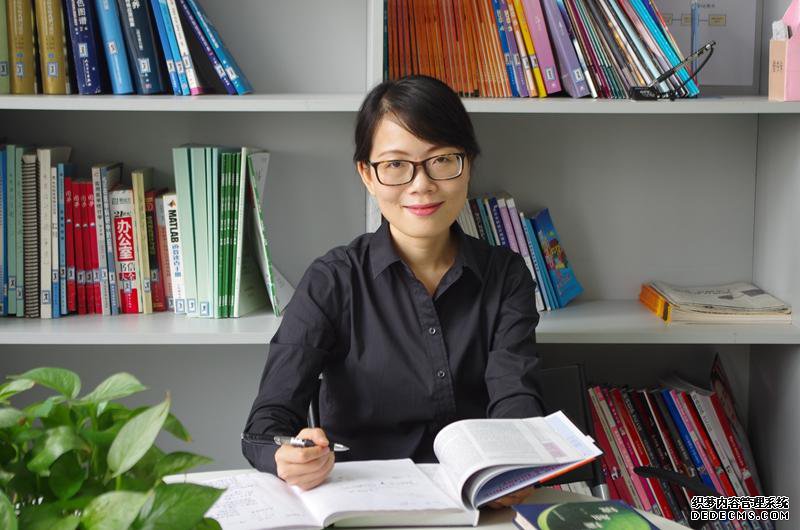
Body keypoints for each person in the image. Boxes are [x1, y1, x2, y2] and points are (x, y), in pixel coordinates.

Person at [242, 75, 543, 507]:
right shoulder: (332, 280)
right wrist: (285, 455)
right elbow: (266, 423)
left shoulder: (506, 275)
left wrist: (512, 466)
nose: (421, 185)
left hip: (477, 505)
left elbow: (516, 399)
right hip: (362, 506)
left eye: (442, 160)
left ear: (469, 164)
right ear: (367, 175)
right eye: (396, 165)